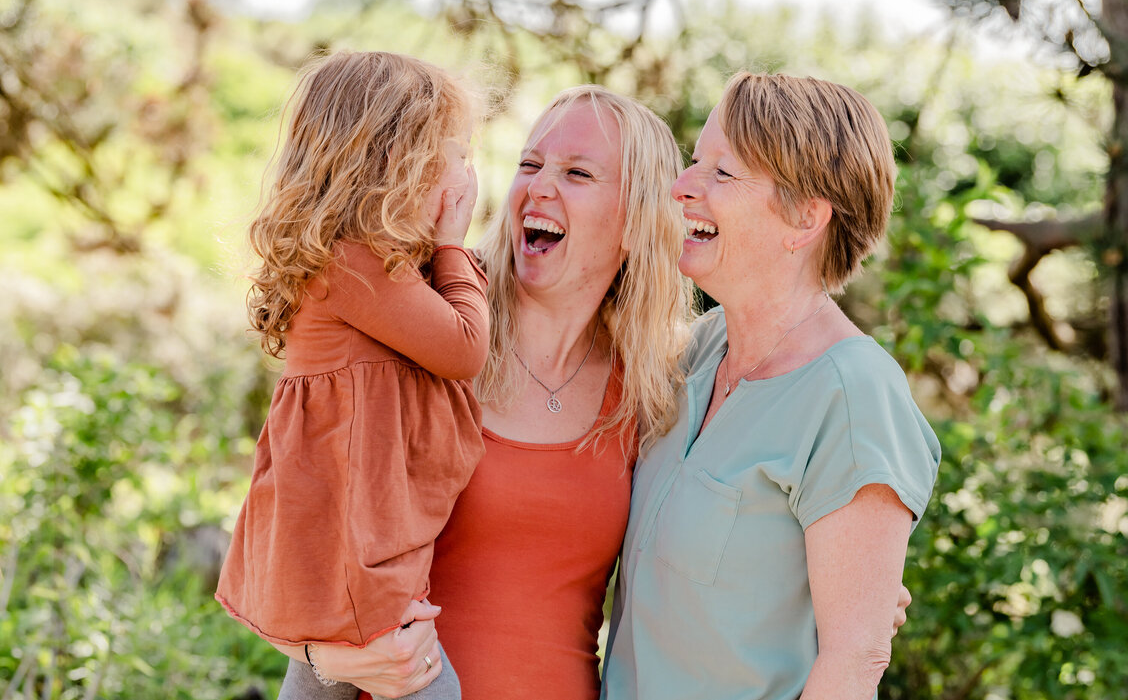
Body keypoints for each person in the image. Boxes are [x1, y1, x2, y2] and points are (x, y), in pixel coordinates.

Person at [294, 82, 917, 700]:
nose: (539, 187)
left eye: (578, 173)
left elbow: (838, 637)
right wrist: (323, 656)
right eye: (530, 164)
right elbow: (287, 531)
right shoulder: (436, 334)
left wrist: (852, 599)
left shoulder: (673, 379)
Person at [601, 72, 942, 699]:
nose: (683, 186)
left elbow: (852, 663)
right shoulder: (698, 352)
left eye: (722, 174)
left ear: (805, 217)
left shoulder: (853, 396)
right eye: (693, 162)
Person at [215, 50, 490, 700]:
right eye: (454, 150)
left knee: (319, 681)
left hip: (332, 555)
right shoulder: (356, 263)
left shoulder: (357, 264)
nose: (467, 169)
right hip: (351, 560)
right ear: (396, 163)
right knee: (425, 682)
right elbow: (464, 346)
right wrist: (453, 242)